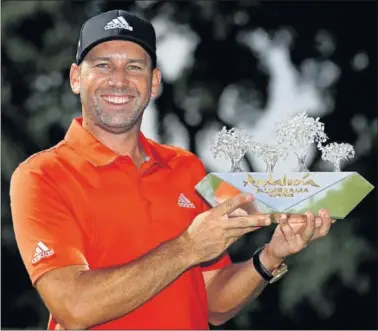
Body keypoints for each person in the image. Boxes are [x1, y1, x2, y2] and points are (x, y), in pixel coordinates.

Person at [10, 9, 333, 330]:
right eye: (103, 65)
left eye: (134, 67)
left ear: (153, 83)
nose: (119, 80)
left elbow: (214, 305)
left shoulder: (186, 168)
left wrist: (271, 256)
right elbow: (74, 307)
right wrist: (187, 247)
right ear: (76, 78)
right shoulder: (41, 175)